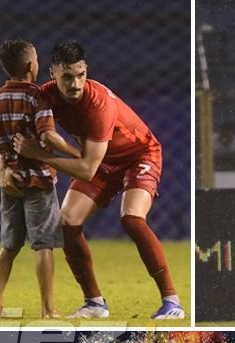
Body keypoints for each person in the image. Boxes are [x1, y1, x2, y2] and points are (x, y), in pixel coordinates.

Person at [12, 40, 184, 320]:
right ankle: (94, 303)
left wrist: (40, 155)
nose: (75, 83)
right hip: (100, 160)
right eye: (67, 76)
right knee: (65, 223)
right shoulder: (45, 96)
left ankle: (172, 302)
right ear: (52, 75)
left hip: (139, 155)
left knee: (131, 218)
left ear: (86, 71)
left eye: (80, 75)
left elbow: (87, 169)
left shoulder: (99, 104)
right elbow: (29, 132)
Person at [0, 38, 74, 319]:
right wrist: (77, 152)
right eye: (37, 58)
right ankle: (48, 309)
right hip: (38, 180)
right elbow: (47, 135)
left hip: (10, 182)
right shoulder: (36, 96)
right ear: (31, 65)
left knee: (9, 245)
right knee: (44, 245)